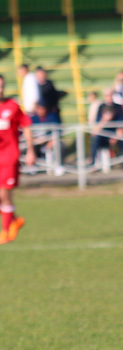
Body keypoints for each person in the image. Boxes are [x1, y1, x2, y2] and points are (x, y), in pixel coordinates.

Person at [0, 75, 36, 245]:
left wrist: (30, 151)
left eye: (1, 86)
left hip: (9, 156)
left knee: (4, 193)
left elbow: (26, 126)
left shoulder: (12, 106)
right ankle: (13, 220)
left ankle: (6, 232)